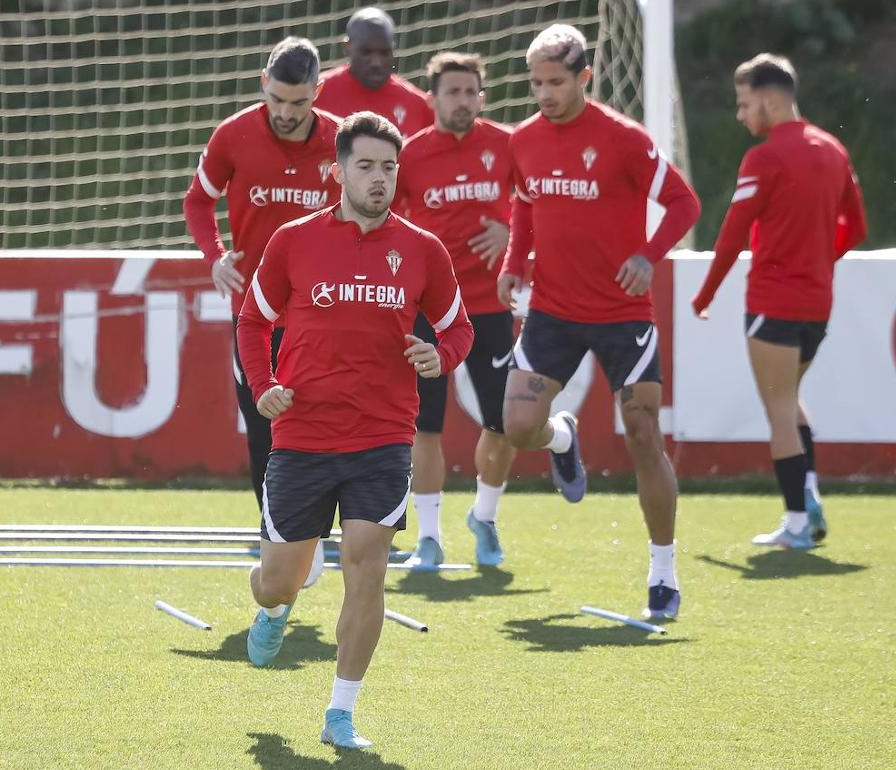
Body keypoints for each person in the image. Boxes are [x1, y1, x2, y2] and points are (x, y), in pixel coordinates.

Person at [236, 111, 473, 749]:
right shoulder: (292, 240)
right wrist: (264, 390)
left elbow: (458, 328)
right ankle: (274, 607)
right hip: (302, 438)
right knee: (279, 578)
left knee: (366, 566)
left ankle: (340, 713)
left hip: (383, 440)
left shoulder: (425, 250)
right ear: (337, 171)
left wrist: (440, 356)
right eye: (365, 166)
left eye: (389, 167)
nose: (378, 178)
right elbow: (252, 323)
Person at [497, 25, 701, 620]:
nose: (544, 93)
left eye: (555, 82)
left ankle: (662, 571)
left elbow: (685, 204)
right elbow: (525, 203)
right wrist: (514, 263)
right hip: (552, 312)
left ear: (584, 77)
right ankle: (562, 437)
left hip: (621, 314)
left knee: (643, 434)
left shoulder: (625, 140)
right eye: (535, 82)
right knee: (516, 426)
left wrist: (648, 255)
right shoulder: (523, 141)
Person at [691, 53, 866, 551]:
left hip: (773, 300)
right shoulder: (833, 149)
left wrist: (705, 294)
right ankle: (807, 495)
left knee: (779, 412)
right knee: (791, 401)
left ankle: (796, 524)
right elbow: (857, 227)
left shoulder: (764, 157)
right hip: (817, 304)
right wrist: (817, 260)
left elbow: (731, 236)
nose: (741, 115)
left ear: (769, 100)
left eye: (745, 104)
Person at [183, 37, 340, 543]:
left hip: (326, 312)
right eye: (276, 99)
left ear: (318, 91)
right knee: (263, 424)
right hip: (255, 310)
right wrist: (215, 256)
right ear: (262, 85)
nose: (286, 112)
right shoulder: (233, 135)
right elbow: (197, 202)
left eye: (299, 102)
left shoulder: (341, 142)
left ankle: (318, 528)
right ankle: (278, 530)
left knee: (327, 422)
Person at [394, 52, 517, 567]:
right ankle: (430, 536)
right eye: (452, 92)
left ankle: (484, 517)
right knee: (425, 426)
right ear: (432, 99)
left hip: (490, 306)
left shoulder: (508, 146)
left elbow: (541, 209)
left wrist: (513, 235)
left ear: (481, 98)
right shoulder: (409, 154)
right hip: (428, 311)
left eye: (471, 92)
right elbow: (381, 215)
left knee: (504, 422)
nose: (463, 101)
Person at [314, 7, 433, 137]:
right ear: (347, 47)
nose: (376, 62)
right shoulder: (316, 93)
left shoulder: (419, 104)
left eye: (384, 53)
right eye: (366, 52)